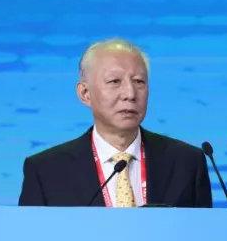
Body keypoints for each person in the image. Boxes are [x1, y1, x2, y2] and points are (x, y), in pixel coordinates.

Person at [18, 38, 212, 208]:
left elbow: (203, 235)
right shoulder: (46, 171)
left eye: (139, 81)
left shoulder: (187, 163)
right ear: (85, 93)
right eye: (114, 81)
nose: (130, 94)